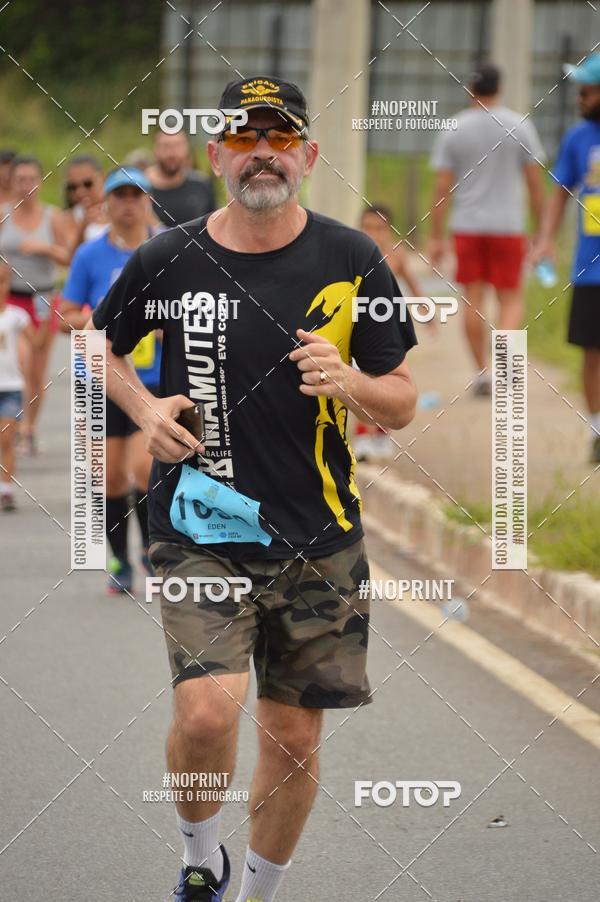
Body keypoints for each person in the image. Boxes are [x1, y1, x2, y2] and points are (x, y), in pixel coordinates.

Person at [88, 75, 417, 902]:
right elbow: (96, 346)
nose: (262, 153)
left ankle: (257, 893)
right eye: (243, 139)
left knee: (296, 739)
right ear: (216, 156)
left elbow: (404, 397)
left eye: (279, 139)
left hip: (320, 538)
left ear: (307, 155)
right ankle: (202, 860)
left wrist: (349, 382)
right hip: (199, 524)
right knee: (206, 713)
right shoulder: (170, 257)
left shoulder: (353, 259)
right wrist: (142, 402)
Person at [61, 167, 161, 592]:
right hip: (99, 376)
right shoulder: (89, 255)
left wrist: (163, 322)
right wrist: (99, 318)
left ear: (148, 201)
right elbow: (65, 313)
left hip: (152, 379)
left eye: (135, 195)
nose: (127, 204)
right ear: (106, 204)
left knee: (144, 470)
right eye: (119, 196)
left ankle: (151, 552)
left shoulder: (169, 248)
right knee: (109, 479)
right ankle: (121, 559)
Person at [429, 62, 546, 396]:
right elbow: (535, 184)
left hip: (467, 226)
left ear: (471, 89)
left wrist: (436, 236)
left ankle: (482, 373)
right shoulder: (520, 125)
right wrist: (541, 231)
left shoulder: (454, 127)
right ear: (500, 89)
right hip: (508, 226)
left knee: (473, 300)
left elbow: (441, 186)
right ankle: (505, 368)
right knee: (510, 299)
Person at [533, 53, 600, 463]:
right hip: (592, 269)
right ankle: (598, 429)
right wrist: (544, 239)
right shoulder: (578, 138)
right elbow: (560, 193)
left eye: (587, 90)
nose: (580, 97)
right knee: (593, 352)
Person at [0, 155, 70, 454]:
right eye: (20, 180)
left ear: (40, 181)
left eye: (32, 179)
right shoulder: (3, 213)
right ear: (11, 182)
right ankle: (13, 425)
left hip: (42, 298)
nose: (27, 186)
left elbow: (68, 256)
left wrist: (44, 248)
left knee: (37, 373)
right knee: (21, 363)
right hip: (11, 299)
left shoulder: (51, 216)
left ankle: (29, 427)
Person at [355, 204, 426, 459]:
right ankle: (363, 435)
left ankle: (382, 434)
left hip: (389, 327)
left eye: (379, 228)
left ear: (389, 231)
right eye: (367, 227)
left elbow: (412, 283)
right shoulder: (353, 253)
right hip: (359, 325)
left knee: (387, 380)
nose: (372, 233)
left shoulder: (397, 257)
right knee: (362, 379)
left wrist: (425, 310)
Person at [0, 261, 47, 510]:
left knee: (7, 437)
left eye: (2, 281)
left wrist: (49, 320)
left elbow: (38, 342)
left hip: (10, 386)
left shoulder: (16, 316)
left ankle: (6, 489)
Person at [147, 130, 216, 226]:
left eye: (178, 146)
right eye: (165, 146)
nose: (172, 153)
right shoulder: (140, 188)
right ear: (155, 150)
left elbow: (214, 222)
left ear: (187, 149)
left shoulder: (201, 184)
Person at [62, 155, 108, 254]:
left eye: (88, 184)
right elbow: (71, 258)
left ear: (102, 178)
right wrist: (83, 227)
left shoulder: (119, 207)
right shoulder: (69, 217)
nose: (80, 192)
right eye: (73, 187)